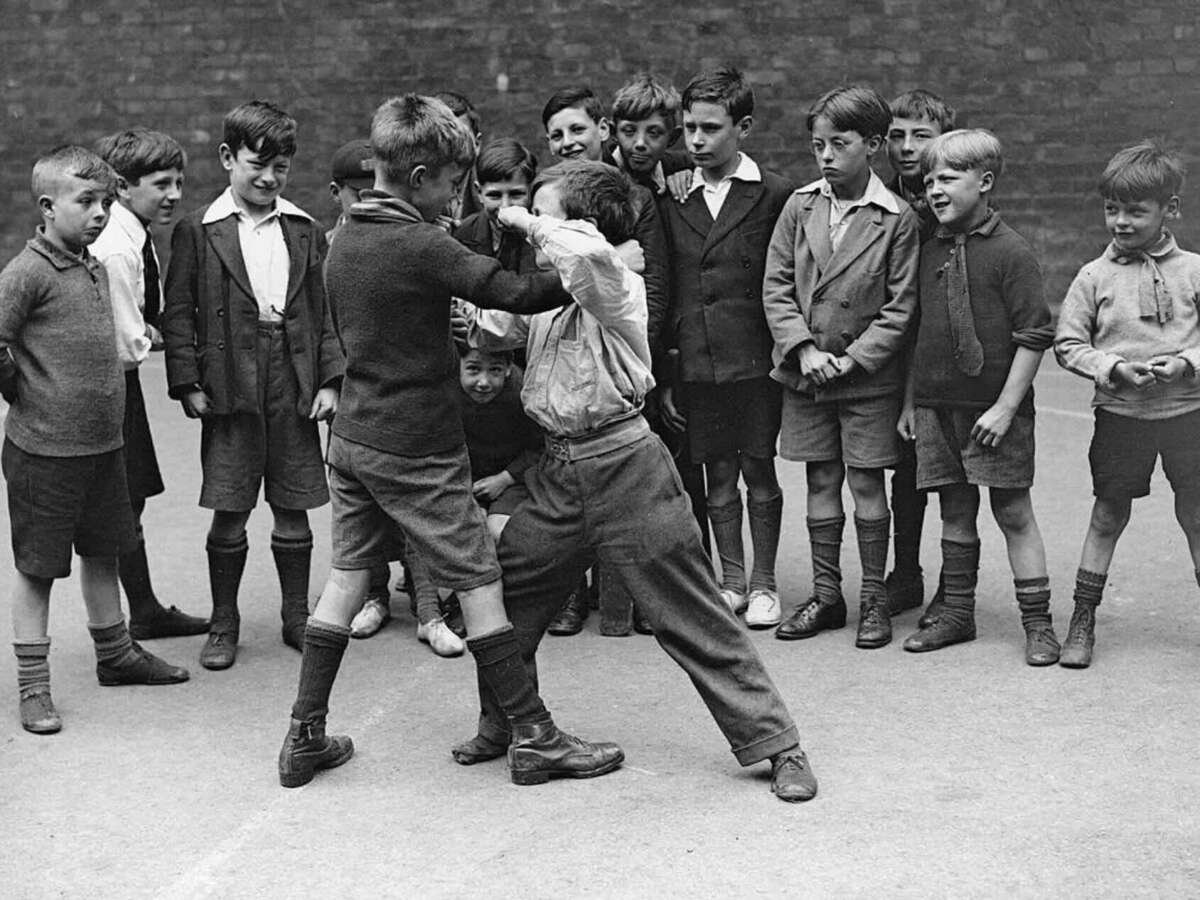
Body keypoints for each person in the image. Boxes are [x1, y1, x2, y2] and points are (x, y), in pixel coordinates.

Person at [276, 94, 622, 789]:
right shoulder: (421, 241)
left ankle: (303, 736)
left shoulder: (345, 240)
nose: (457, 198)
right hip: (417, 446)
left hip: (354, 438)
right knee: (480, 582)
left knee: (345, 581)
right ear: (421, 174)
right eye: (452, 185)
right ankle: (534, 735)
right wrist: (600, 268)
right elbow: (512, 292)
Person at [459, 159, 819, 803]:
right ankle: (506, 722)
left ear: (585, 226)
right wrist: (470, 302)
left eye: (548, 213)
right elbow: (504, 322)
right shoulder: (555, 287)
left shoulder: (613, 280)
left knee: (691, 612)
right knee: (511, 597)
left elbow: (580, 255)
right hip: (559, 471)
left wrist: (519, 219)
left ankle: (776, 744)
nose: (534, 225)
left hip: (628, 466)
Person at [0, 146, 188, 734]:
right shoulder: (27, 272)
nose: (100, 212)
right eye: (86, 202)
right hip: (44, 455)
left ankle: (116, 654)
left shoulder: (96, 266)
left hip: (103, 448)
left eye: (106, 201)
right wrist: (24, 393)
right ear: (48, 206)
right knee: (38, 568)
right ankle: (34, 686)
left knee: (105, 549)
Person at [162, 100, 344, 670]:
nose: (267, 178)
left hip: (291, 376)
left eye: (280, 168)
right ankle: (224, 621)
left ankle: (295, 616)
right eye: (254, 165)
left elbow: (322, 310)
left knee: (294, 503)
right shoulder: (199, 229)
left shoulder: (304, 227)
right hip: (228, 382)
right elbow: (178, 312)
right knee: (231, 505)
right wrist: (188, 381)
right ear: (226, 159)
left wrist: (330, 381)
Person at [762, 85, 918, 649]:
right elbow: (776, 286)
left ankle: (874, 598)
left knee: (866, 481)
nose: (826, 155)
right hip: (805, 373)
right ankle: (828, 597)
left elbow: (901, 309)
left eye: (840, 144)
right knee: (820, 478)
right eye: (817, 145)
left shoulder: (895, 218)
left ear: (873, 145)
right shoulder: (800, 205)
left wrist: (851, 361)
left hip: (866, 381)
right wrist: (803, 349)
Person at [898, 129, 1059, 665]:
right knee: (954, 511)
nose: (935, 190)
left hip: (996, 412)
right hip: (937, 406)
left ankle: (1038, 624)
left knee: (1013, 512)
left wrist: (1006, 407)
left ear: (985, 181)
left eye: (948, 178)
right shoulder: (928, 249)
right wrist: (910, 404)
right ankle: (957, 614)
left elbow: (1035, 335)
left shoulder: (1011, 252)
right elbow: (917, 332)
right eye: (928, 181)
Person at [657, 65, 795, 631]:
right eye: (688, 127)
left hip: (757, 361)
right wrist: (669, 370)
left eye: (710, 128)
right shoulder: (673, 196)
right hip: (698, 360)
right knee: (716, 474)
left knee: (759, 468)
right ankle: (730, 580)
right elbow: (666, 288)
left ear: (744, 126)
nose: (696, 140)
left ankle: (764, 583)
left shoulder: (775, 193)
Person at [1054, 141, 1200, 669]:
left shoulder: (1194, 271)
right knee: (1108, 513)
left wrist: (1186, 362)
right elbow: (1067, 344)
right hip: (1121, 416)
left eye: (1135, 210)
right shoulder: (1094, 277)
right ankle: (1082, 620)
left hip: (1189, 416)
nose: (1119, 221)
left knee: (1197, 514)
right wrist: (1112, 367)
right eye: (1112, 209)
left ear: (1171, 210)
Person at [540, 84, 671, 636]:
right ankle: (572, 594)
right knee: (565, 511)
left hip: (619, 387)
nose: (568, 143)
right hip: (564, 386)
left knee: (634, 512)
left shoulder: (635, 199)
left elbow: (646, 287)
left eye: (577, 130)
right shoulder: (551, 199)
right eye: (556, 135)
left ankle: (640, 600)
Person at [91, 128, 209, 640]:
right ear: (121, 185)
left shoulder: (135, 232)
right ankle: (130, 617)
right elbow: (123, 343)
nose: (174, 194)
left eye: (179, 182)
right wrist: (153, 339)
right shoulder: (118, 246)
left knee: (129, 497)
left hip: (121, 384)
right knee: (118, 503)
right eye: (161, 183)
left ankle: (143, 609)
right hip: (108, 386)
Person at [610, 73, 711, 578]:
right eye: (630, 132)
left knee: (680, 465)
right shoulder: (598, 181)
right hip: (619, 347)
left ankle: (696, 573)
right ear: (613, 130)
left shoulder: (679, 174)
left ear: (670, 136)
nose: (640, 144)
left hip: (667, 343)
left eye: (653, 133)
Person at [882, 89, 958, 623]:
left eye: (921, 137)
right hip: (890, 353)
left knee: (948, 474)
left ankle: (955, 588)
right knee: (902, 473)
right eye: (897, 136)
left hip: (941, 355)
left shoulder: (950, 204)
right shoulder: (881, 200)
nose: (907, 148)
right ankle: (904, 572)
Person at [452, 137, 538, 274]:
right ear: (479, 193)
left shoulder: (542, 234)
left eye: (516, 194)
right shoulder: (464, 233)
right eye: (495, 195)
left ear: (530, 191)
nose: (505, 207)